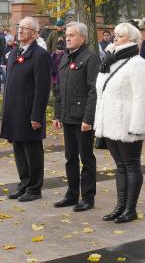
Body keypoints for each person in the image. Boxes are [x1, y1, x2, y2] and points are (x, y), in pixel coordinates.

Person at [94, 22, 145, 223]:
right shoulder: (111, 60)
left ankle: (130, 209)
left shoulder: (137, 63)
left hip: (127, 122)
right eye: (115, 34)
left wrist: (137, 126)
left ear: (133, 40)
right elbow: (101, 89)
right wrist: (106, 62)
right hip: (110, 122)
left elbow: (141, 97)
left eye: (121, 35)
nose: (115, 37)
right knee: (120, 166)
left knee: (131, 166)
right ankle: (120, 206)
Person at [0, 17, 51, 202]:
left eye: (25, 28)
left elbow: (43, 88)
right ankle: (23, 184)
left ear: (35, 33)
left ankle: (34, 188)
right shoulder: (14, 53)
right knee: (19, 150)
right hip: (14, 112)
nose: (20, 31)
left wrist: (37, 115)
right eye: (19, 27)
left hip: (29, 113)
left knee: (32, 151)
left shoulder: (40, 55)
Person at [53, 22, 100, 212]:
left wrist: (88, 118)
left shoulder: (90, 58)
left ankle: (87, 197)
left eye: (72, 35)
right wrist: (57, 114)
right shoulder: (65, 56)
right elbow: (58, 88)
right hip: (67, 116)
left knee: (86, 158)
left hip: (82, 119)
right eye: (67, 35)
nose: (68, 38)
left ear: (83, 37)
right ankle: (72, 194)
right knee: (70, 157)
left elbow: (93, 90)